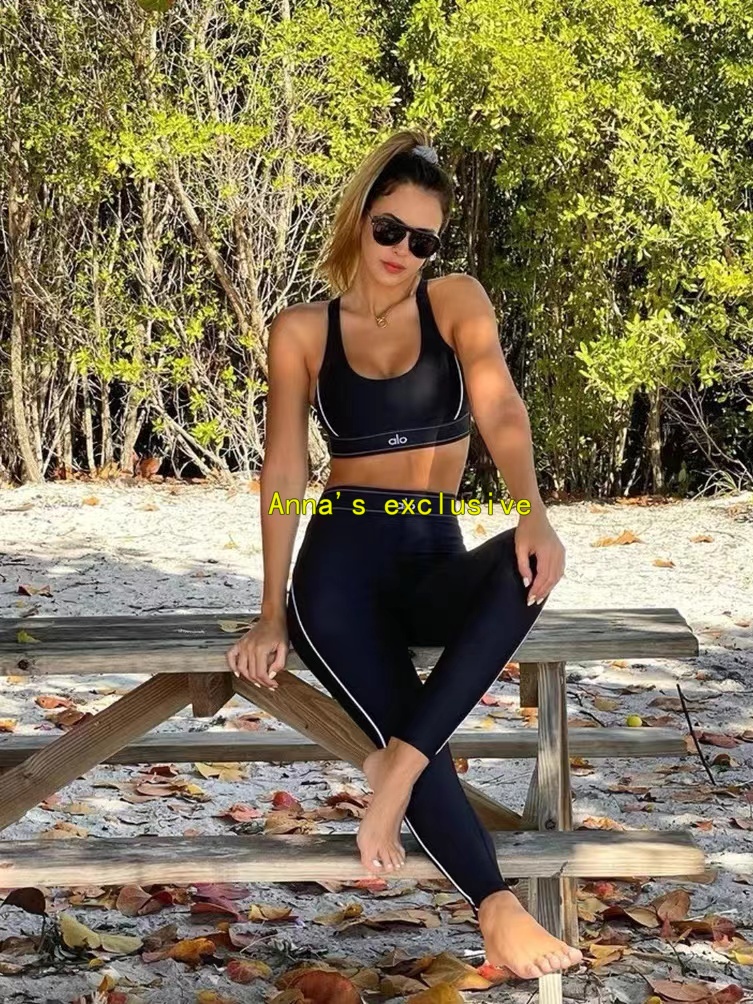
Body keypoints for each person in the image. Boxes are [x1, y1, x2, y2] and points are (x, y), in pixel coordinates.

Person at [226, 128, 583, 981]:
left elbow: (501, 408)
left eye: (423, 240)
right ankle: (497, 911)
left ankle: (395, 776)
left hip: (432, 549)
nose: (402, 252)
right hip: (338, 571)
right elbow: (285, 472)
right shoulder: (302, 329)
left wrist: (532, 513)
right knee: (404, 711)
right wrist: (271, 610)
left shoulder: (454, 300)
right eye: (390, 229)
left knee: (522, 572)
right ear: (360, 217)